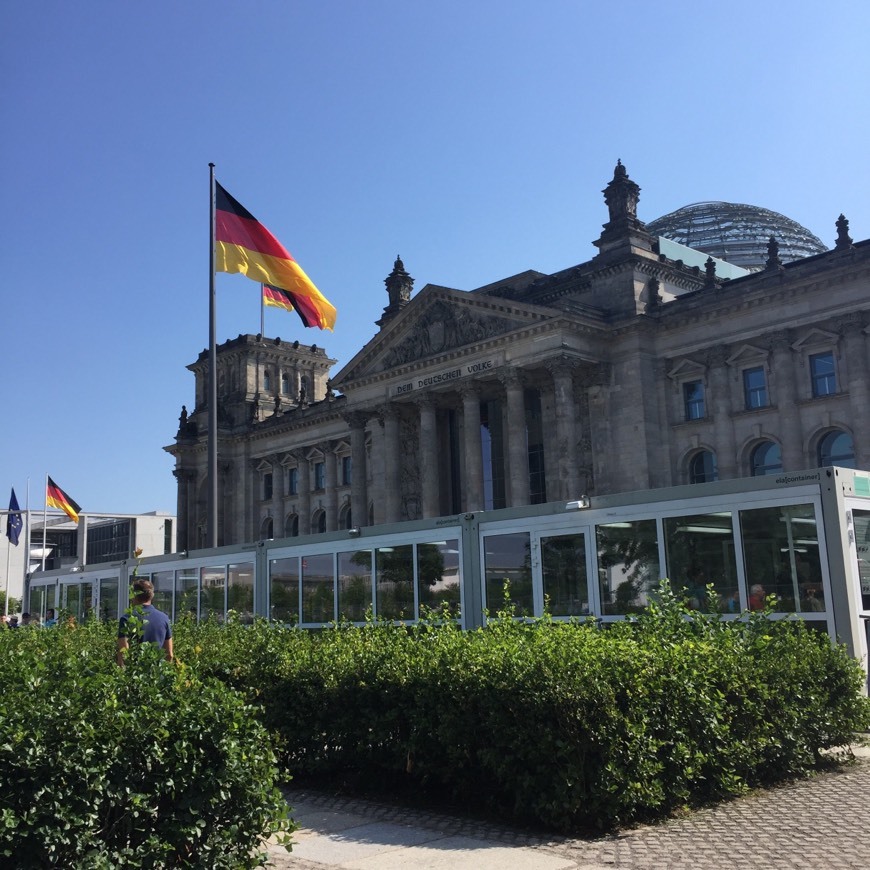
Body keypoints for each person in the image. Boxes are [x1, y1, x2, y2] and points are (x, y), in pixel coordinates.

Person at [117, 579, 173, 666]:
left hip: (136, 673)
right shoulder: (164, 618)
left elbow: (124, 652)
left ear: (134, 595)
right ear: (152, 595)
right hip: (157, 673)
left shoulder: (127, 619)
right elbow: (169, 655)